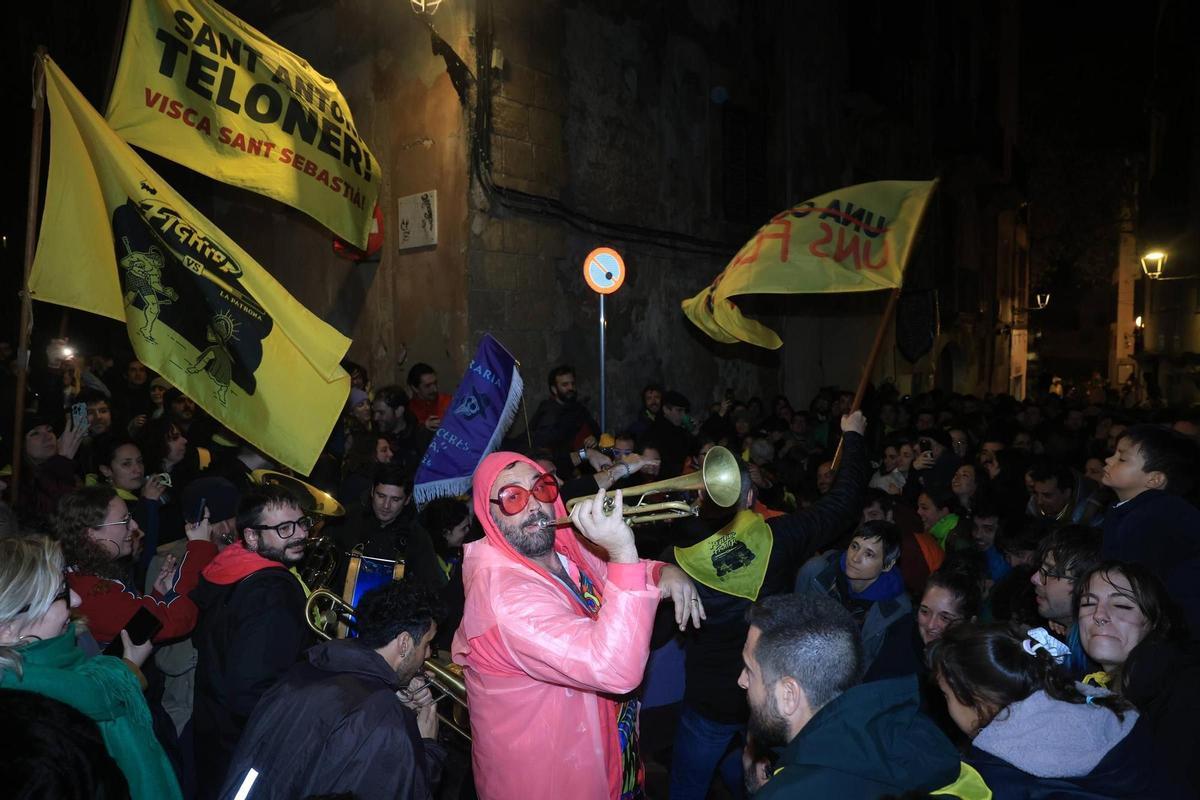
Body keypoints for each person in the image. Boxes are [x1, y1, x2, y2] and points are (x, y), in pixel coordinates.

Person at [452, 451, 704, 800]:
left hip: (613, 756)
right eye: (513, 498)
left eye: (540, 488)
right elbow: (614, 669)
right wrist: (622, 551)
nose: (534, 505)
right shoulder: (505, 600)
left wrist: (664, 570)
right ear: (488, 513)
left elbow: (619, 577)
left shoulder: (564, 549)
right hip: (556, 782)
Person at [666, 411, 869, 800]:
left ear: (700, 499)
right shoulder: (780, 536)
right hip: (764, 697)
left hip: (706, 699)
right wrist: (853, 437)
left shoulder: (675, 555)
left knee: (687, 786)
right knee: (755, 780)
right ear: (749, 498)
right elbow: (843, 505)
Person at [220, 581, 447, 800]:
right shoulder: (384, 720)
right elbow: (399, 790)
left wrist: (393, 701)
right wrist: (427, 749)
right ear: (405, 643)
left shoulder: (308, 669)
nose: (427, 655)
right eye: (427, 644)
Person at [0, 536, 181, 800]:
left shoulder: (67, 662)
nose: (76, 600)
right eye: (59, 594)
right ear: (7, 630)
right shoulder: (28, 731)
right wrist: (126, 668)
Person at [739, 593, 961, 799]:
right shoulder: (907, 730)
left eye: (749, 670)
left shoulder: (787, 794)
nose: (742, 680)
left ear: (789, 695)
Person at [929, 623, 1181, 798]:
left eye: (946, 695)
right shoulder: (1106, 707)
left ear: (977, 699)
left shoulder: (999, 777)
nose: (946, 706)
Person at [189, 484, 316, 800]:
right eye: (284, 528)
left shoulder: (228, 566)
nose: (299, 534)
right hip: (247, 748)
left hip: (214, 735)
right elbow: (253, 691)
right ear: (251, 537)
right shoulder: (273, 593)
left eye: (302, 523)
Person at [1074, 562, 1200, 794]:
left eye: (1122, 605)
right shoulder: (1090, 687)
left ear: (1156, 622)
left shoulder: (1186, 690)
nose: (1099, 615)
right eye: (1088, 603)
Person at [57, 485, 216, 646]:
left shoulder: (87, 573)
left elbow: (135, 622)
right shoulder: (91, 593)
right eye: (124, 520)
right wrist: (200, 549)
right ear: (91, 534)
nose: (134, 526)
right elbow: (173, 622)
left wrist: (158, 596)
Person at [1100, 424, 1200, 634]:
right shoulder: (1133, 511)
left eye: (1122, 458)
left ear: (1154, 479)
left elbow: (1133, 589)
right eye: (1113, 454)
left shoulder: (1153, 518)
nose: (1109, 460)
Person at [797, 520, 915, 677]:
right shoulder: (816, 571)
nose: (855, 558)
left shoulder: (897, 608)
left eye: (869, 554)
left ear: (887, 565)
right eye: (854, 546)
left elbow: (877, 666)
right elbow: (792, 622)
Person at [331, 464, 443, 590]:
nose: (386, 506)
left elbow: (432, 585)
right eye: (381, 496)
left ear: (407, 499)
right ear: (372, 491)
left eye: (395, 499)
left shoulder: (417, 537)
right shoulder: (346, 519)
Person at [1029, 525, 1102, 677]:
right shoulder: (1065, 638)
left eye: (1048, 572)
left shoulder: (1095, 659)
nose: (1035, 579)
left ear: (1084, 584)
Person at [527, 364, 600, 454]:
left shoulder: (579, 408)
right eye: (565, 385)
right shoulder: (547, 412)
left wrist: (594, 437)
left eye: (572, 384)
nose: (571, 388)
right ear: (554, 389)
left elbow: (596, 430)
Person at [407, 362, 452, 432]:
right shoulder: (408, 411)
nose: (435, 389)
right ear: (415, 388)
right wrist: (423, 427)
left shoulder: (449, 401)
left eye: (435, 383)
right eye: (428, 386)